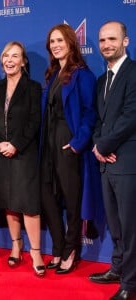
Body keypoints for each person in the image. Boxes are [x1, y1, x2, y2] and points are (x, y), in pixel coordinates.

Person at [0, 41, 45, 277]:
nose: (9, 60)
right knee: (9, 201)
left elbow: (34, 121)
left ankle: (36, 252)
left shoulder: (33, 87)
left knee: (28, 202)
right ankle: (16, 244)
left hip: (23, 153)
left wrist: (16, 145)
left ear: (23, 61)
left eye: (15, 56)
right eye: (6, 55)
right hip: (0, 153)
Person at [40, 24, 98, 274]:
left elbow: (89, 113)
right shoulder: (53, 73)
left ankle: (71, 249)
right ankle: (58, 246)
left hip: (68, 141)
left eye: (60, 40)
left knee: (72, 200)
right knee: (48, 196)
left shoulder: (83, 74)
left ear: (71, 43)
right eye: (52, 41)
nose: (55, 45)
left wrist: (77, 143)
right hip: (49, 141)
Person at [89, 21, 136, 300]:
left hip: (128, 162)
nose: (107, 44)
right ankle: (117, 269)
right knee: (116, 225)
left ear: (125, 41)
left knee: (131, 228)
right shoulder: (100, 80)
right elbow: (100, 120)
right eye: (102, 40)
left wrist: (104, 145)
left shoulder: (134, 73)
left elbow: (131, 116)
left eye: (112, 39)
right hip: (106, 162)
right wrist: (98, 146)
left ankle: (130, 285)